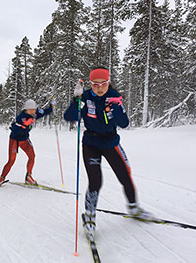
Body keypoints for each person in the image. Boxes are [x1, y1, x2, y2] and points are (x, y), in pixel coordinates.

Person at [64, 66, 150, 237]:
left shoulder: (114, 98)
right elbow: (69, 117)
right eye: (95, 84)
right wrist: (76, 100)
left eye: (103, 83)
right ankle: (89, 216)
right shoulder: (85, 97)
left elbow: (124, 123)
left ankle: (133, 208)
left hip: (111, 142)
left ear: (108, 83)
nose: (100, 87)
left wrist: (116, 108)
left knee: (125, 175)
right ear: (91, 84)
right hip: (91, 143)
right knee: (95, 181)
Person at [0, 99, 54, 186]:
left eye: (34, 109)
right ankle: (1, 178)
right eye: (31, 110)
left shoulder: (35, 113)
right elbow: (15, 129)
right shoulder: (21, 117)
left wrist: (51, 107)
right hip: (15, 140)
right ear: (26, 109)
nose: (33, 111)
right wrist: (25, 124)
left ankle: (28, 177)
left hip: (25, 139)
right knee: (11, 160)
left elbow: (43, 112)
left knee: (32, 156)